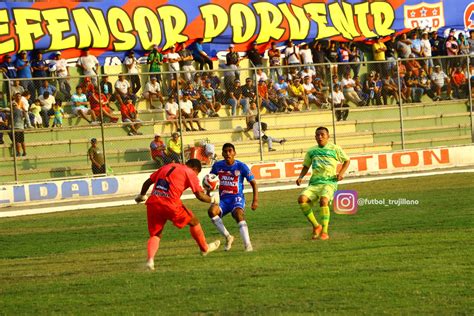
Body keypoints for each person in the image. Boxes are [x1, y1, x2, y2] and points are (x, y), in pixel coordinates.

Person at [135, 158, 221, 270]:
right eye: (197, 174)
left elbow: (147, 182)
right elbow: (200, 195)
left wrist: (141, 195)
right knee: (194, 221)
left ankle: (150, 260)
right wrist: (214, 200)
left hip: (153, 202)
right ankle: (204, 248)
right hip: (171, 204)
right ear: (195, 169)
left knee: (156, 234)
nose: (196, 177)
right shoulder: (189, 172)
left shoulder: (167, 166)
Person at [296, 127, 350, 240]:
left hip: (329, 182)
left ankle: (325, 232)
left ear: (328, 136)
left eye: (322, 134)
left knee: (324, 200)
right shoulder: (311, 151)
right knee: (302, 199)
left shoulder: (335, 148)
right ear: (315, 137)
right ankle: (316, 226)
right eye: (317, 135)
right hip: (315, 183)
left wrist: (341, 173)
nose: (320, 137)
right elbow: (306, 166)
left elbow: (346, 160)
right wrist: (300, 177)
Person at [207, 143, 258, 252]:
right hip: (223, 200)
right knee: (212, 211)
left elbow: (253, 183)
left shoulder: (241, 166)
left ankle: (248, 245)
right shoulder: (217, 166)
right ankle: (228, 237)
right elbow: (210, 180)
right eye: (225, 151)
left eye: (230, 151)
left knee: (238, 215)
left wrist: (255, 200)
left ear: (234, 153)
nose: (228, 153)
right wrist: (208, 193)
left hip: (236, 198)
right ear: (222, 153)